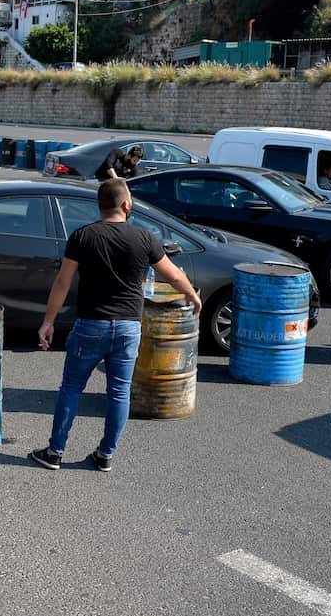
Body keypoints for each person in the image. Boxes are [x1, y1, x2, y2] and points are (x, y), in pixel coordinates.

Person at [30, 179, 202, 473]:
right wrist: (192, 294)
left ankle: (55, 452)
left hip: (90, 326)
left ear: (100, 205)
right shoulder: (145, 238)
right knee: (119, 392)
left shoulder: (82, 237)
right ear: (126, 204)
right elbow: (172, 275)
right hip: (127, 328)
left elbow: (63, 282)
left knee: (71, 388)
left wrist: (48, 321)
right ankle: (105, 455)